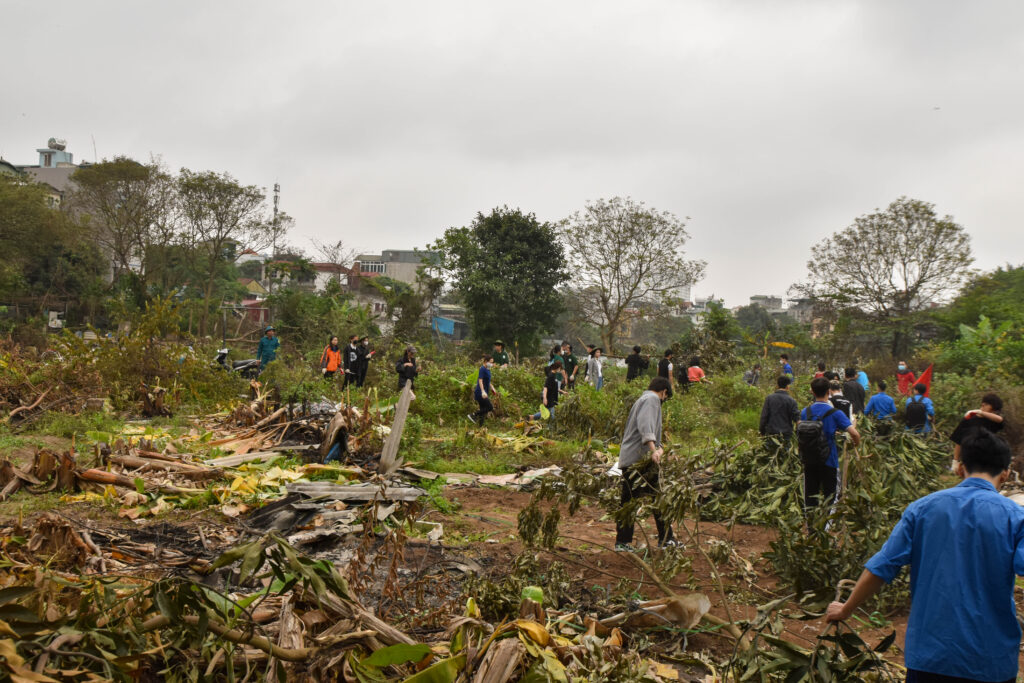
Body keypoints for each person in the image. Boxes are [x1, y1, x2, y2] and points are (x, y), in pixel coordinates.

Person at [825, 431, 1023, 683]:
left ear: (960, 468)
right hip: (990, 660)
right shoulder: (1015, 517)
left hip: (932, 655)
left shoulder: (923, 509)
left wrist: (846, 609)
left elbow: (883, 566)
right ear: (1005, 475)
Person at [615, 376, 675, 551]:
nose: (663, 400)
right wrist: (653, 449)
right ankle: (665, 540)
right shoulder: (652, 399)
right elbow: (645, 427)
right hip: (639, 461)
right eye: (665, 397)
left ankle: (623, 542)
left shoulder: (644, 398)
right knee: (656, 497)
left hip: (634, 459)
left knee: (630, 501)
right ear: (664, 392)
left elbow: (653, 434)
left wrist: (660, 449)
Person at [800, 377, 861, 511]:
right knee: (831, 498)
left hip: (809, 461)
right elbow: (855, 434)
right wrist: (855, 445)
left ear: (812, 392)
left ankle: (811, 528)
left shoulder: (805, 412)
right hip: (829, 461)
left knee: (810, 498)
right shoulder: (835, 413)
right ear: (828, 391)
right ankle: (826, 528)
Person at [950, 393, 1005, 464]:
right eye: (992, 409)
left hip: (987, 458)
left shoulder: (993, 421)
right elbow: (958, 441)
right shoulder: (968, 419)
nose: (993, 412)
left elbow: (1000, 419)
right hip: (969, 458)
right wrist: (955, 461)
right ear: (983, 405)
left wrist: (980, 412)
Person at [759, 376, 800, 447]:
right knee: (785, 455)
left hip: (771, 433)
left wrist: (762, 431)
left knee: (770, 454)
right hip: (786, 434)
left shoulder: (769, 398)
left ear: (777, 385)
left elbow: (764, 417)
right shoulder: (792, 401)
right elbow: (797, 419)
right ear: (788, 386)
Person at [468, 354, 495, 424]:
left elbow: (487, 381)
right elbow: (480, 380)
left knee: (483, 410)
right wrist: (483, 391)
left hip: (485, 392)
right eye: (491, 362)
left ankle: (480, 428)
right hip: (480, 392)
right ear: (486, 361)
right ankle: (473, 414)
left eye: (492, 362)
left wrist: (492, 387)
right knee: (490, 407)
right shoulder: (482, 369)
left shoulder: (488, 369)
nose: (492, 364)